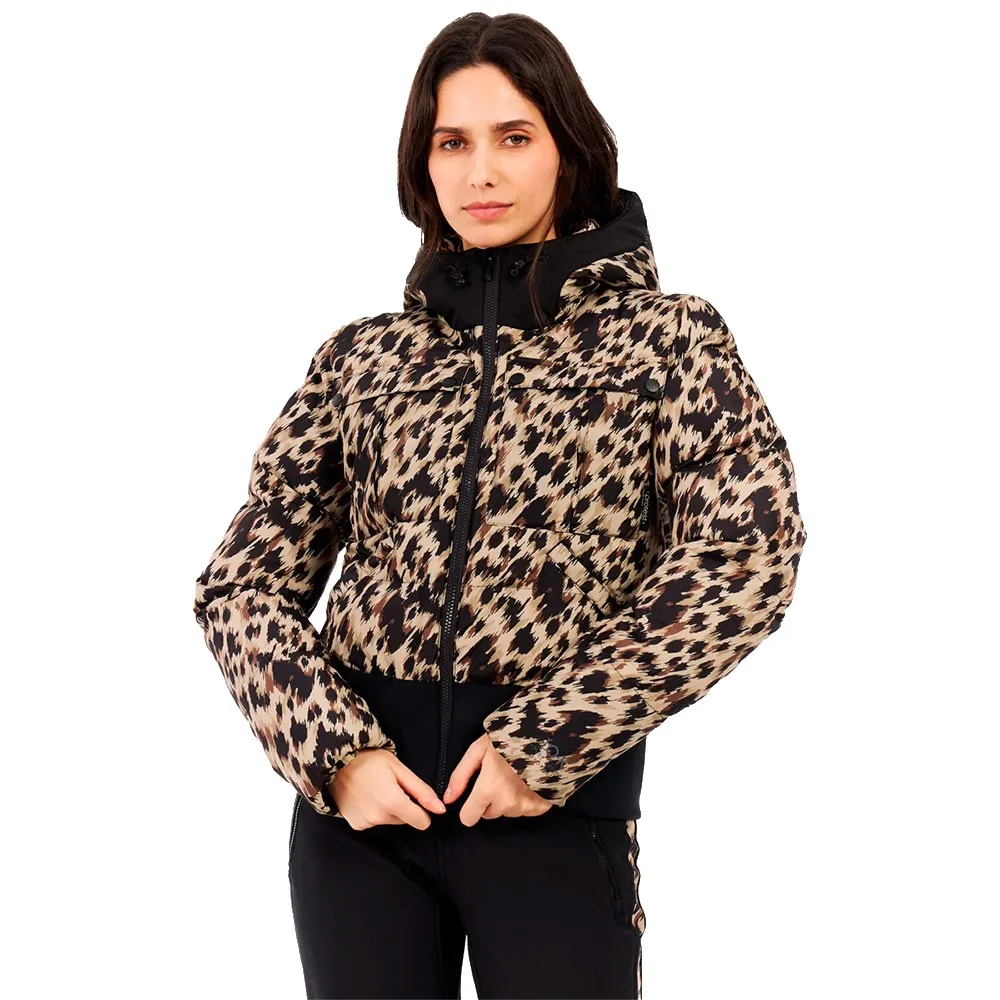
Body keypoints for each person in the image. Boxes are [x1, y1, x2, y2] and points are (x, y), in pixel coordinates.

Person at [192, 12, 807, 999]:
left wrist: (550, 739)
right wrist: (335, 753)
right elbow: (241, 586)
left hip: (554, 818)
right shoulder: (362, 359)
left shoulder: (669, 341)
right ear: (421, 162)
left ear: (569, 148)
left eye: (513, 137)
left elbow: (747, 555)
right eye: (452, 143)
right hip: (363, 832)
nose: (480, 172)